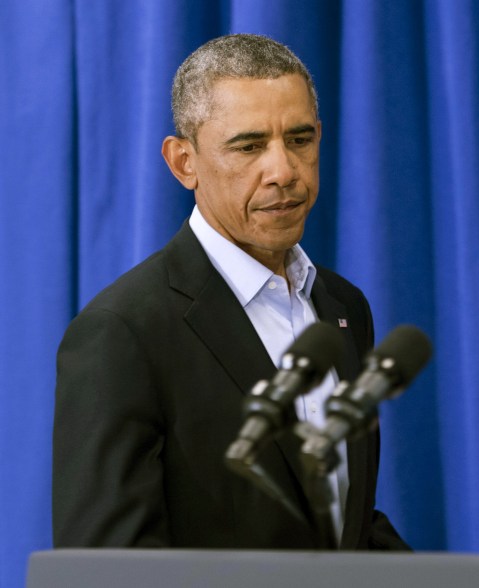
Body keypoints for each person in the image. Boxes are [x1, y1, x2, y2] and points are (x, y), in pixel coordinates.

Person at [52, 34, 408, 551]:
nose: (283, 171)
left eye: (300, 140)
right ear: (183, 163)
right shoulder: (123, 331)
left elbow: (344, 529)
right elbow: (108, 564)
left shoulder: (343, 306)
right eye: (249, 146)